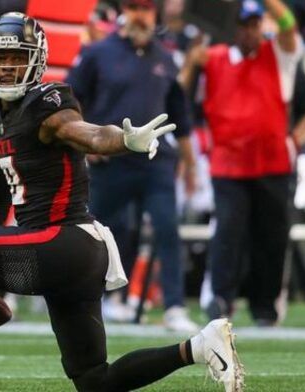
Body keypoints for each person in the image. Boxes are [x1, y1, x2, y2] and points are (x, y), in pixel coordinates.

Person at [0, 12, 244, 392]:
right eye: (0, 58)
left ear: (36, 59)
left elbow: (88, 133)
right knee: (94, 379)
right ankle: (200, 347)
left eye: (17, 57)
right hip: (66, 256)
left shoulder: (48, 102)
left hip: (61, 243)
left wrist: (123, 141)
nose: (8, 67)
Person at [66, 0, 198, 331]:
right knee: (100, 231)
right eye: (135, 7)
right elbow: (71, 98)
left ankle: (174, 306)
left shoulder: (166, 57)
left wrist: (190, 162)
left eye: (146, 8)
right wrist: (86, 139)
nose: (141, 15)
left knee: (167, 227)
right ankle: (97, 299)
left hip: (155, 159)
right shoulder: (99, 53)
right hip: (111, 158)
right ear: (126, 10)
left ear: (155, 15)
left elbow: (178, 115)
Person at [179, 0, 302, 325]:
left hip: (272, 163)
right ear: (234, 29)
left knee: (271, 238)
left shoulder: (279, 54)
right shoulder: (215, 57)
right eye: (244, 25)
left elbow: (288, 24)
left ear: (261, 25)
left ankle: (265, 307)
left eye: (254, 24)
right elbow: (179, 93)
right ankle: (221, 300)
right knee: (228, 235)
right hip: (229, 165)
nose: (250, 31)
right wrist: (192, 63)